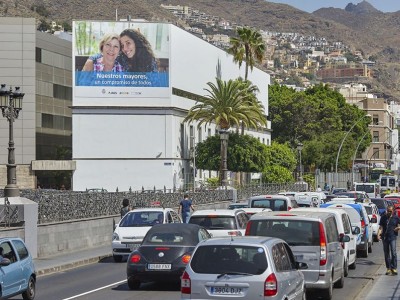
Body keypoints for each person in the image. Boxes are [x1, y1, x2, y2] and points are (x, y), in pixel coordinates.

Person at [378, 205, 400, 275]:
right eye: (388, 211)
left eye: (390, 211)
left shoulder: (396, 218)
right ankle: (388, 268)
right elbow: (381, 227)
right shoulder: (383, 217)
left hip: (392, 237)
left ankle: (394, 268)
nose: (389, 212)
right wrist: (378, 234)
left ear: (393, 211)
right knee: (386, 253)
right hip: (385, 237)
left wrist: (398, 228)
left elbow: (399, 225)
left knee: (393, 253)